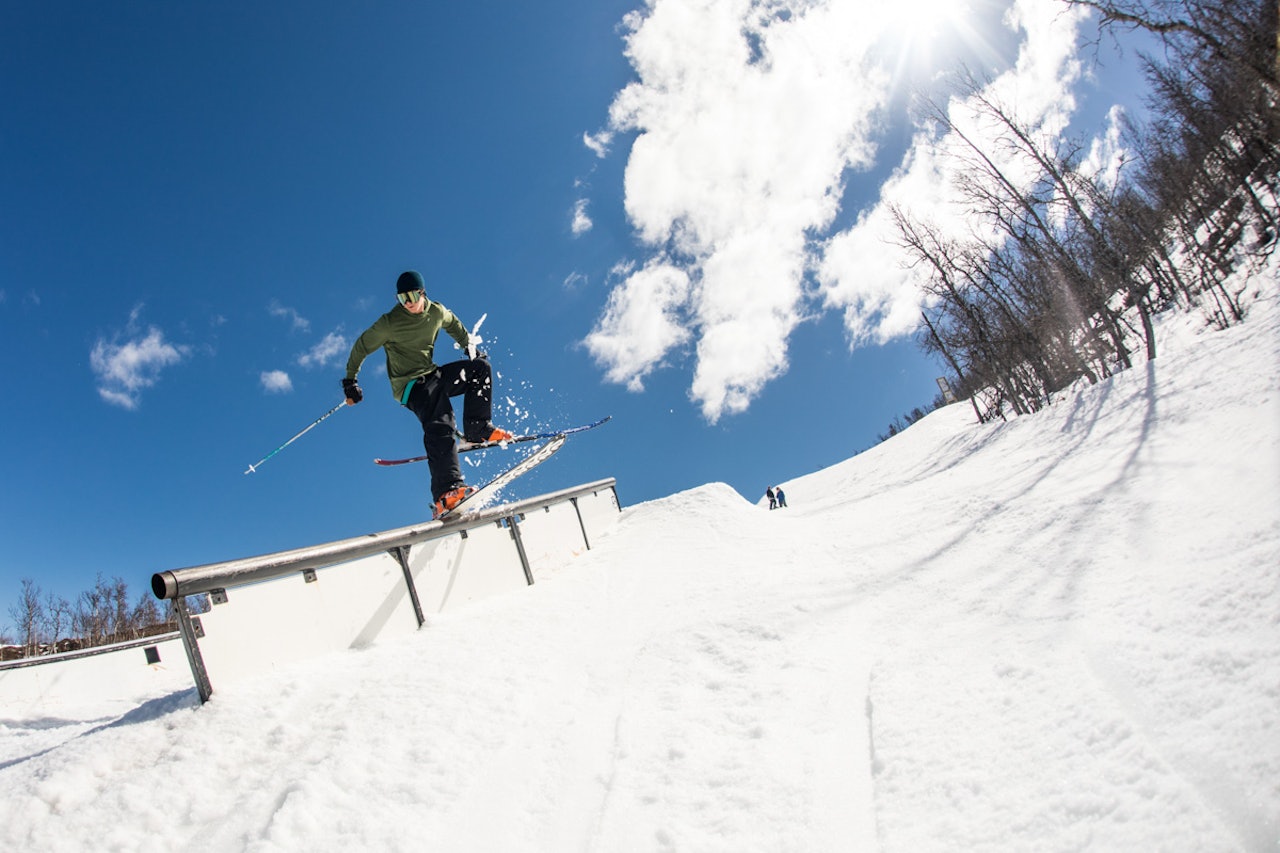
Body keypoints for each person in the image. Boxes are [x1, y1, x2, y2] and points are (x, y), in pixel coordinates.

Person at [342, 270, 512, 518]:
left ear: (422, 292)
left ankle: (478, 428)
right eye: (402, 299)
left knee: (480, 369)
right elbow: (362, 346)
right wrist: (350, 380)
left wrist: (469, 347)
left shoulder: (436, 312)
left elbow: (453, 323)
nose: (408, 303)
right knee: (440, 419)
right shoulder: (390, 322)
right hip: (410, 386)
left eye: (411, 296)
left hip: (433, 375)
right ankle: (447, 491)